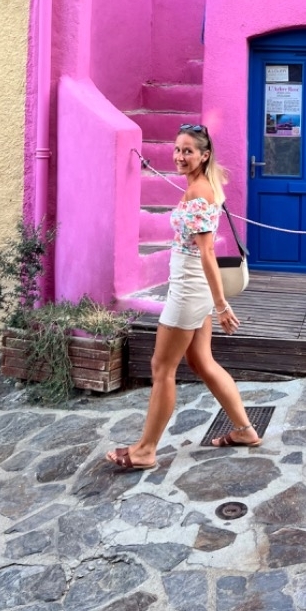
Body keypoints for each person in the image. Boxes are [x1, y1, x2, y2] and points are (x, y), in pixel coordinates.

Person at [107, 124, 260, 471]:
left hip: (189, 290)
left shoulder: (199, 192)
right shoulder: (201, 185)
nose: (179, 156)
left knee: (162, 368)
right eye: (177, 149)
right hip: (193, 288)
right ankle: (245, 430)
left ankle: (145, 450)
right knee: (201, 361)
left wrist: (221, 305)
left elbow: (207, 253)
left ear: (204, 155)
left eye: (188, 151)